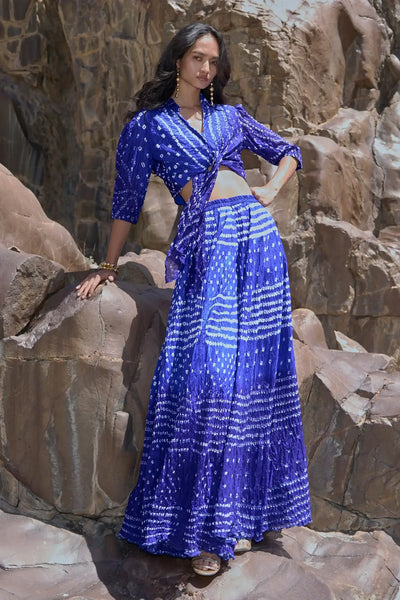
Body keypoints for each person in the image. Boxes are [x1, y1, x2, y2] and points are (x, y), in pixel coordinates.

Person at [77, 22, 311, 577]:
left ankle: (239, 521)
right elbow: (127, 201)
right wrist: (108, 265)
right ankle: (202, 527)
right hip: (209, 244)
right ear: (178, 60)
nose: (207, 69)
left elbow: (288, 151)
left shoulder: (231, 117)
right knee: (208, 378)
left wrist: (269, 191)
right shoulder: (147, 126)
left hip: (257, 244)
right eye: (198, 58)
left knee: (256, 382)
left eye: (213, 61)